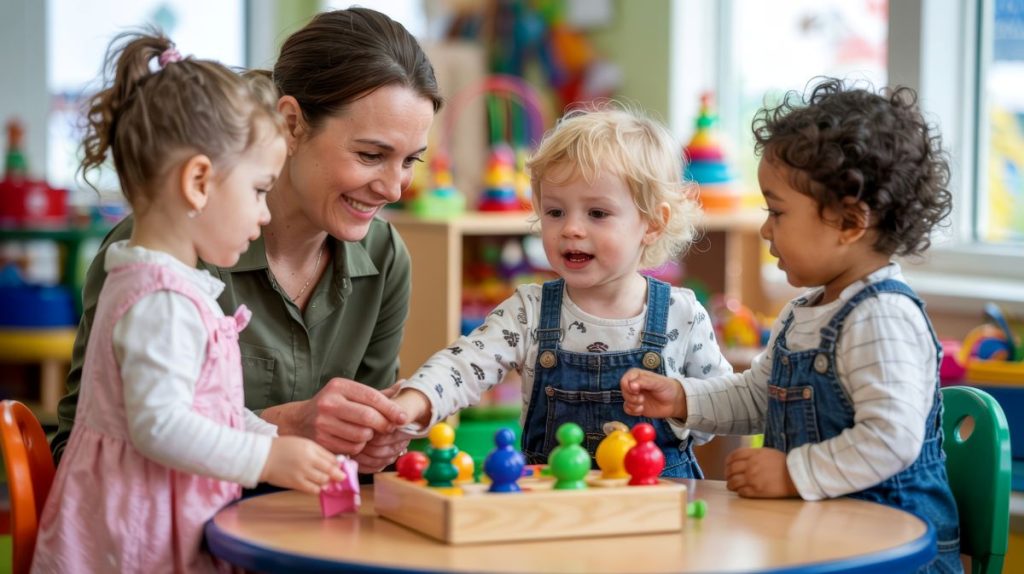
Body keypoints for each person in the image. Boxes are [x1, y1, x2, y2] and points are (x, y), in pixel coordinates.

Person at [51, 7, 444, 473]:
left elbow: (359, 458)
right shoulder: (160, 252)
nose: (394, 188)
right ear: (292, 124)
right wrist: (284, 429)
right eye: (371, 155)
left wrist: (374, 445)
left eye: (410, 161)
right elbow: (77, 453)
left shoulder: (384, 257)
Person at [33, 33, 347, 573]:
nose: (266, 213)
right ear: (199, 181)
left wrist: (270, 435)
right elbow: (161, 425)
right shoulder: (161, 301)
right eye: (257, 190)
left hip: (151, 523)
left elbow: (207, 411)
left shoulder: (162, 286)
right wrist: (267, 457)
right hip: (134, 541)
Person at [620, 78, 960, 571]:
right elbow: (759, 396)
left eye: (776, 211)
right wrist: (682, 397)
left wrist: (793, 473)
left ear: (849, 222)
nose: (764, 228)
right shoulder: (805, 311)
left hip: (891, 554)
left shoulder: (882, 317)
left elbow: (889, 440)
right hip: (820, 540)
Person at [393, 105, 731, 477]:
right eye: (555, 212)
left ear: (652, 224)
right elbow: (464, 365)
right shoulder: (529, 311)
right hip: (555, 511)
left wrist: (678, 401)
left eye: (597, 213)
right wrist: (413, 402)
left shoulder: (681, 314)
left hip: (659, 510)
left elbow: (722, 409)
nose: (571, 229)